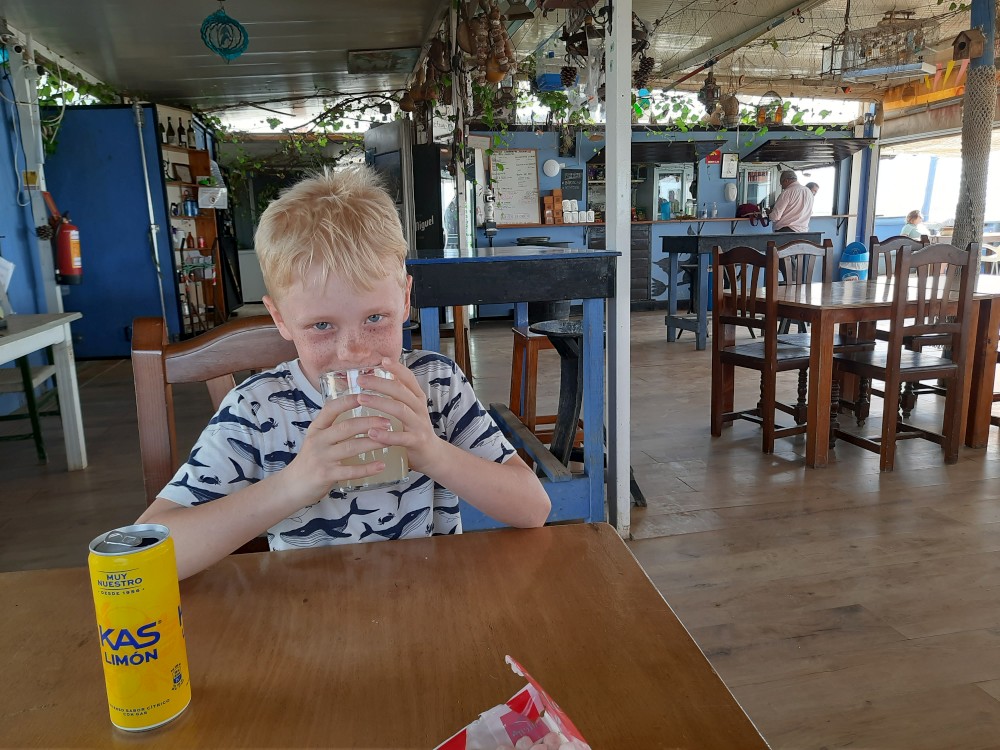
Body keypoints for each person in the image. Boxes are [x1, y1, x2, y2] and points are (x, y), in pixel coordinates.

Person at [137, 166, 551, 580]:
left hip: (429, 599)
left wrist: (433, 453)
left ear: (405, 299)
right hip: (308, 608)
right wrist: (294, 484)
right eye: (321, 325)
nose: (353, 352)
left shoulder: (437, 385)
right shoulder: (256, 409)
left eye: (375, 318)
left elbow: (533, 508)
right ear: (280, 319)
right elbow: (147, 556)